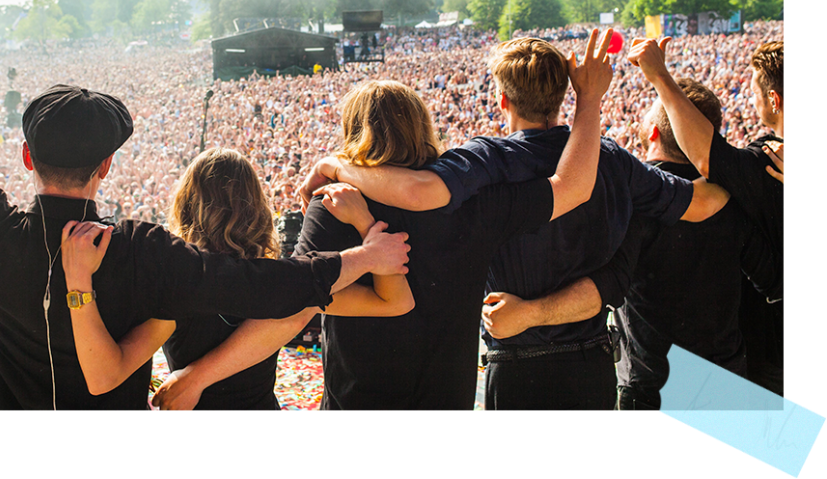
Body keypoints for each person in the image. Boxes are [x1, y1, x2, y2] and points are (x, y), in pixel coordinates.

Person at [0, 0, 411, 410]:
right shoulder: (139, 252)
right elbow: (263, 284)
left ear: (27, 157)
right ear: (106, 165)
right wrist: (363, 256)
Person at [151, 29, 614, 410]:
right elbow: (570, 190)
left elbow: (292, 309)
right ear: (422, 127)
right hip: (445, 400)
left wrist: (198, 377)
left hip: (359, 401)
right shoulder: (475, 200)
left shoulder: (333, 205)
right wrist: (588, 103)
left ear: (353, 133)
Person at [300, 36, 731, 410]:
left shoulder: (487, 162)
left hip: (514, 363)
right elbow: (701, 202)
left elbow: (418, 191)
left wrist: (335, 165)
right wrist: (750, 171)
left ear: (503, 99)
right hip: (613, 362)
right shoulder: (611, 159)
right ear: (563, 93)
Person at [61, 147, 414, 410]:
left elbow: (105, 375)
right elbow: (395, 301)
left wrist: (78, 286)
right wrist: (371, 232)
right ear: (256, 207)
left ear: (186, 207)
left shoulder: (173, 297)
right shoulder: (288, 286)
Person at [612, 78, 783, 410]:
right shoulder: (736, 202)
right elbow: (773, 281)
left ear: (652, 134)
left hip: (653, 387)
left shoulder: (628, 204)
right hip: (725, 383)